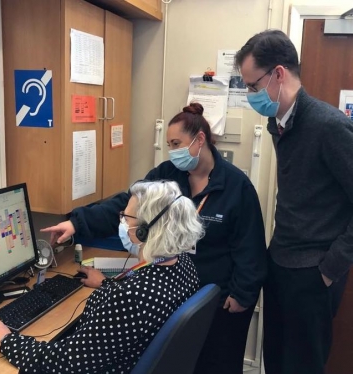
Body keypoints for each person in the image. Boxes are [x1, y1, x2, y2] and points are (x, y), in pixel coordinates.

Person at [40, 102, 267, 374]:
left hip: (218, 295)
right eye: (169, 145)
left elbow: (251, 247)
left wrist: (242, 293)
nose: (173, 152)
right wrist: (77, 223)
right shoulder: (167, 174)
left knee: (217, 364)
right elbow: (127, 206)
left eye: (176, 143)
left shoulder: (236, 186)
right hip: (176, 291)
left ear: (200, 139)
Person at [0, 180, 203, 374]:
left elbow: (67, 364)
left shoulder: (131, 298)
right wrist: (106, 284)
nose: (121, 223)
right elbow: (135, 314)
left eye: (126, 217)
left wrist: (7, 341)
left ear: (145, 230)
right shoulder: (182, 264)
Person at [235, 29, 353, 374]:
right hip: (281, 263)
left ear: (278, 74)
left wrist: (331, 269)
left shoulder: (328, 125)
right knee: (276, 361)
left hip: (314, 274)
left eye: (253, 86)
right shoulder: (279, 122)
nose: (250, 95)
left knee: (302, 366)